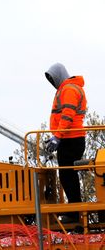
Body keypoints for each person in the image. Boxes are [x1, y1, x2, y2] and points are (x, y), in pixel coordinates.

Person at [44, 63, 87, 223]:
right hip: (70, 138)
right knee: (68, 175)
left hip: (70, 138)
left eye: (52, 78)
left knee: (67, 175)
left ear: (59, 75)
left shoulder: (68, 89)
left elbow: (68, 115)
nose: (52, 81)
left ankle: (73, 213)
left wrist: (58, 136)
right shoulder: (68, 88)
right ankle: (74, 211)